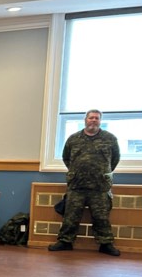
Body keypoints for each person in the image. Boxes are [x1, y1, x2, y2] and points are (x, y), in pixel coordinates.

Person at [48, 109, 122, 256]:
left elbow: (115, 159)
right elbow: (66, 158)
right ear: (85, 120)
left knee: (101, 216)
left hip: (99, 186)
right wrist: (77, 171)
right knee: (71, 215)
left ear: (100, 121)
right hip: (77, 185)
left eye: (96, 118)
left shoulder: (110, 139)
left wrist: (101, 172)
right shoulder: (73, 139)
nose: (93, 120)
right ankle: (65, 241)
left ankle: (105, 244)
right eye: (91, 118)